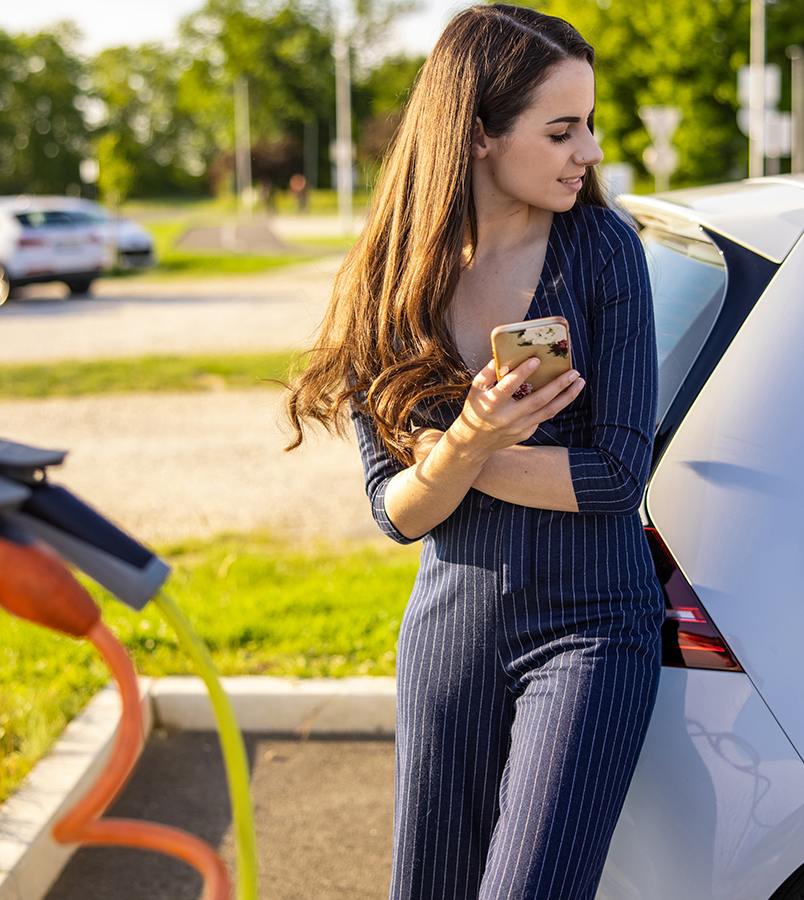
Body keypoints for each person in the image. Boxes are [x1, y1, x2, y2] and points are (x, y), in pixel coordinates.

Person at [283, 6, 662, 898]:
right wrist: (471, 438)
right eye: (562, 130)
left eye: (590, 126)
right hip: (451, 631)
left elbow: (614, 477)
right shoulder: (389, 282)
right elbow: (398, 512)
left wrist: (456, 455)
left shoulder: (604, 251)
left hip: (593, 629)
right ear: (480, 133)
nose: (592, 152)